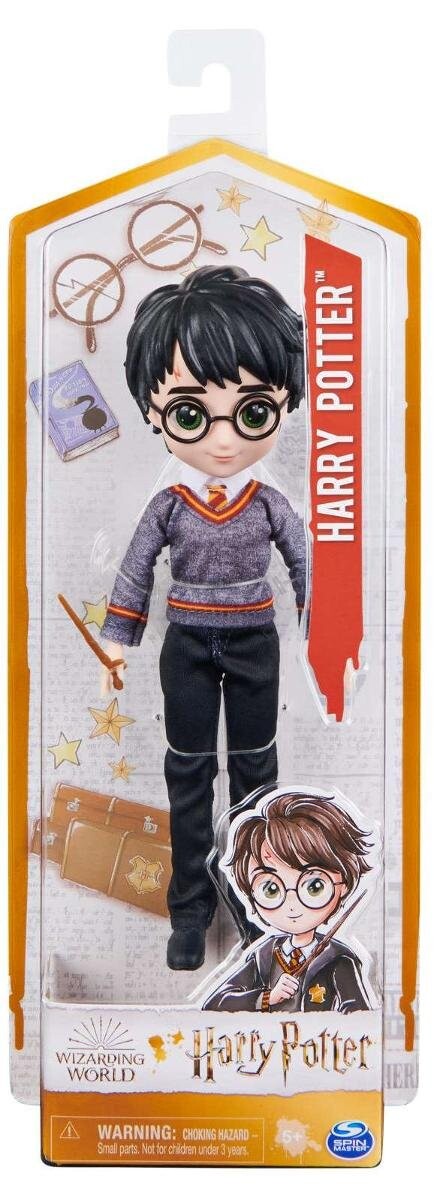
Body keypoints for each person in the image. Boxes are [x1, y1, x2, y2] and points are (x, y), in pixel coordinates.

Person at [100, 266, 307, 970]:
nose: (222, 441)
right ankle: (189, 910)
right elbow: (136, 569)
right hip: (186, 644)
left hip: (255, 643)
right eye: (191, 414)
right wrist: (118, 641)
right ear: (154, 412)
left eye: (252, 412)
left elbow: (307, 565)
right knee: (188, 775)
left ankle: (259, 905)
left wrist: (327, 632)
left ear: (284, 403)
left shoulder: (270, 501)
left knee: (256, 778)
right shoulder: (168, 502)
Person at [203, 791, 373, 1011]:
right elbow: (216, 1003)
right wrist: (267, 998)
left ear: (343, 885)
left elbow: (358, 1013)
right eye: (271, 889)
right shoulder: (264, 955)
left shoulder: (339, 959)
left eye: (314, 887)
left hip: (318, 1034)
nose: (292, 904)